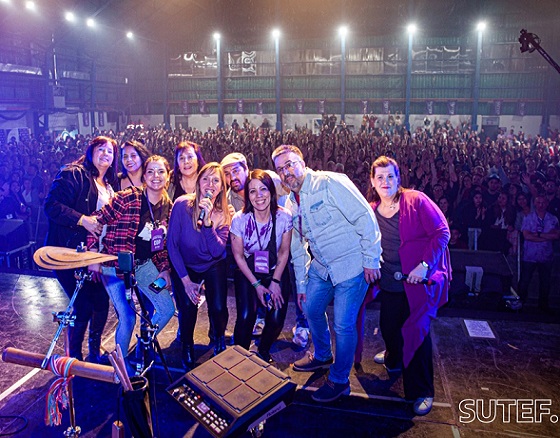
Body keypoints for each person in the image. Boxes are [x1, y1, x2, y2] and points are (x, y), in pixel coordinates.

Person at [271, 144, 381, 403]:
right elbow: (298, 250)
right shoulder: (288, 203)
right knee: (310, 309)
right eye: (280, 169)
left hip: (351, 267)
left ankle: (340, 380)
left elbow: (365, 217)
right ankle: (322, 355)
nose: (286, 172)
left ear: (302, 162)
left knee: (343, 325)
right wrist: (300, 286)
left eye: (290, 164)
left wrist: (371, 259)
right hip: (321, 268)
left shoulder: (330, 182)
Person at [369, 156, 450, 416]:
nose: (385, 182)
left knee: (416, 334)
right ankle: (394, 359)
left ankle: (422, 390)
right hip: (391, 283)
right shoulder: (370, 210)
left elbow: (442, 232)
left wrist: (424, 265)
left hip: (419, 284)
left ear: (398, 178)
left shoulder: (416, 200)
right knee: (389, 327)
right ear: (372, 181)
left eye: (390, 176)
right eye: (379, 177)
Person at [85, 156, 174, 363]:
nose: (155, 176)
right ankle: (120, 367)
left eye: (160, 171)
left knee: (166, 309)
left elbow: (159, 246)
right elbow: (95, 220)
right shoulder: (129, 198)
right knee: (128, 318)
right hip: (115, 267)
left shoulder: (167, 207)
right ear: (144, 176)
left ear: (168, 177)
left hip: (143, 267)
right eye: (150, 171)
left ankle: (143, 345)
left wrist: (164, 269)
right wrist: (92, 255)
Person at [44, 136, 118, 362]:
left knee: (101, 303)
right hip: (68, 253)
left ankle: (94, 349)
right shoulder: (73, 173)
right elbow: (51, 206)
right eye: (101, 149)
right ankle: (74, 354)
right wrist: (81, 220)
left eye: (110, 151)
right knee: (83, 305)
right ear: (90, 151)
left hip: (93, 254)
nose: (106, 153)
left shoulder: (108, 185)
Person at [167, 162, 231, 369]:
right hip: (186, 264)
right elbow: (172, 245)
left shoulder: (226, 212)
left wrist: (209, 223)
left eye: (215, 180)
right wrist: (186, 281)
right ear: (198, 183)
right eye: (205, 179)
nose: (210, 184)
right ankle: (187, 345)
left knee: (219, 306)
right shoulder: (181, 204)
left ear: (222, 186)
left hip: (213, 264)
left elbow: (217, 251)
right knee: (187, 307)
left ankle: (219, 339)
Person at [230, 170, 293, 363]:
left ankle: (263, 351)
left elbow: (284, 252)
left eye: (263, 189)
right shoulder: (240, 220)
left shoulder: (284, 217)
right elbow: (239, 257)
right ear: (247, 195)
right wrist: (257, 286)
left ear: (271, 191)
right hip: (248, 271)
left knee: (275, 318)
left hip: (276, 269)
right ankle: (239, 356)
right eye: (253, 191)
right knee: (247, 315)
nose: (259, 196)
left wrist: (275, 281)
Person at [518, 194, 559, 311]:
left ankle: (543, 306)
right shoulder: (528, 218)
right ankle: (521, 302)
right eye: (538, 203)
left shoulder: (553, 219)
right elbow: (527, 236)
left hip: (546, 255)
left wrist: (538, 235)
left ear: (547, 204)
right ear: (535, 204)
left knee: (545, 282)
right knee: (525, 280)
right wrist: (546, 237)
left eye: (543, 203)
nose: (540, 205)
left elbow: (556, 235)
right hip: (530, 254)